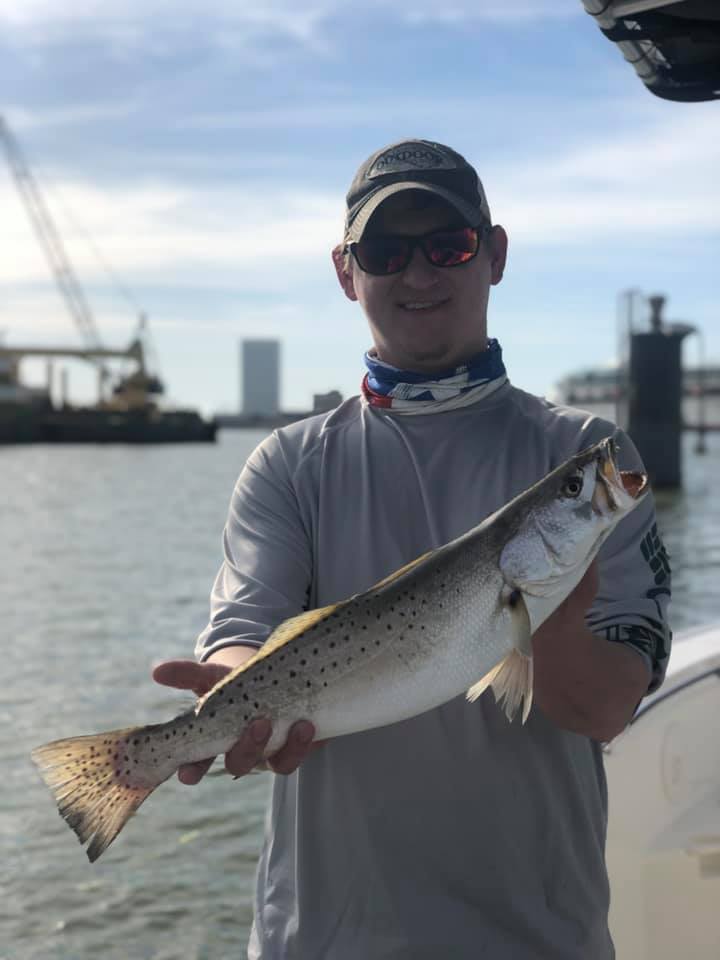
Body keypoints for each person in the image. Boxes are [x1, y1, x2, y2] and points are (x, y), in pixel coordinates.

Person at [154, 139, 671, 959]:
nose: (419, 274)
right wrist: (232, 692)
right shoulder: (288, 464)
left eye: (449, 245)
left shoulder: (591, 459)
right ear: (345, 270)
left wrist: (550, 611)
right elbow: (247, 629)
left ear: (494, 253)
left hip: (537, 940)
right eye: (386, 252)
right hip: (317, 939)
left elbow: (607, 708)